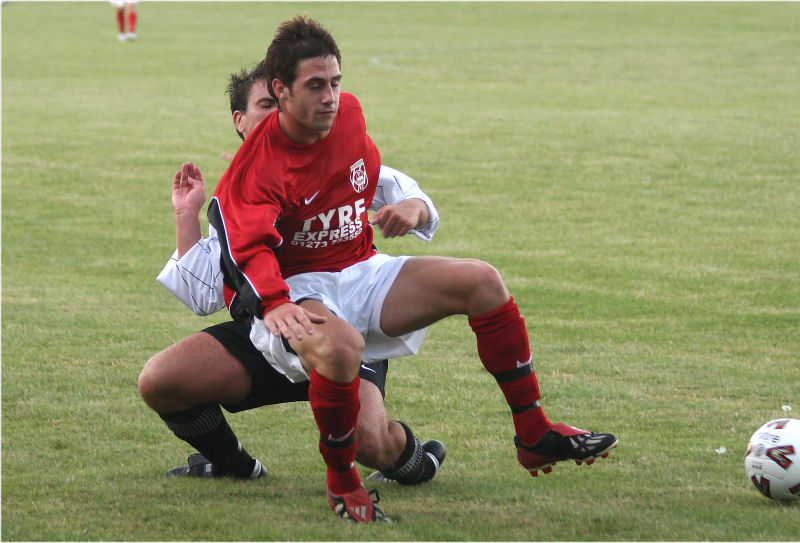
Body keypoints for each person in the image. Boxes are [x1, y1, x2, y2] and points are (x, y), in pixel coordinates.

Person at [209, 16, 618, 524]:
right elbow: (245, 249)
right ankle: (343, 484)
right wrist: (274, 301)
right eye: (315, 86)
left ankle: (534, 433)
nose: (331, 97)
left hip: (360, 267)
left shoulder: (350, 115)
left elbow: (374, 178)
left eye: (335, 82)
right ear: (280, 90)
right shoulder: (256, 166)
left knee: (482, 281)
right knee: (340, 351)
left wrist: (410, 208)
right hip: (300, 288)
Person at [139, 62, 444, 490]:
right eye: (266, 104)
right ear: (239, 120)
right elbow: (201, 294)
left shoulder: (334, 156)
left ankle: (412, 462)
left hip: (342, 329)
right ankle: (235, 466)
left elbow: (407, 192)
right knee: (161, 381)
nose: (278, 112)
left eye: (281, 102)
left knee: (370, 443)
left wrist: (416, 209)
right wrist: (186, 214)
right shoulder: (237, 189)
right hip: (269, 333)